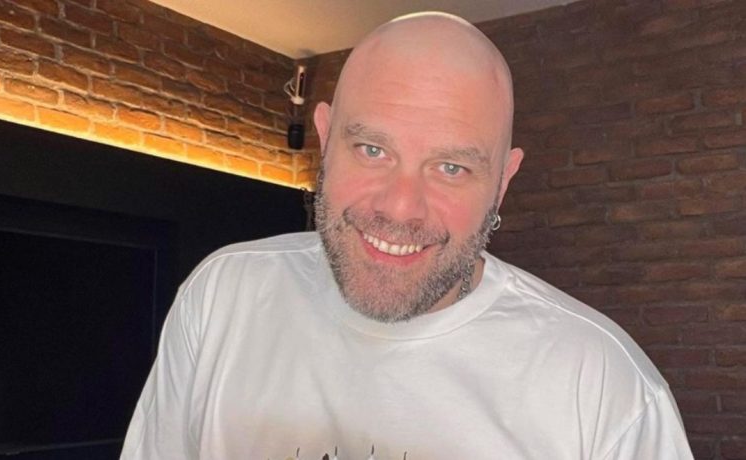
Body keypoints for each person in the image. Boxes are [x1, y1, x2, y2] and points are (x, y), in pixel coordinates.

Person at [121, 12, 694, 460]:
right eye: (372, 149)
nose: (400, 207)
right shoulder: (223, 296)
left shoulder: (606, 388)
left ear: (502, 183)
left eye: (451, 167)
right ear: (325, 140)